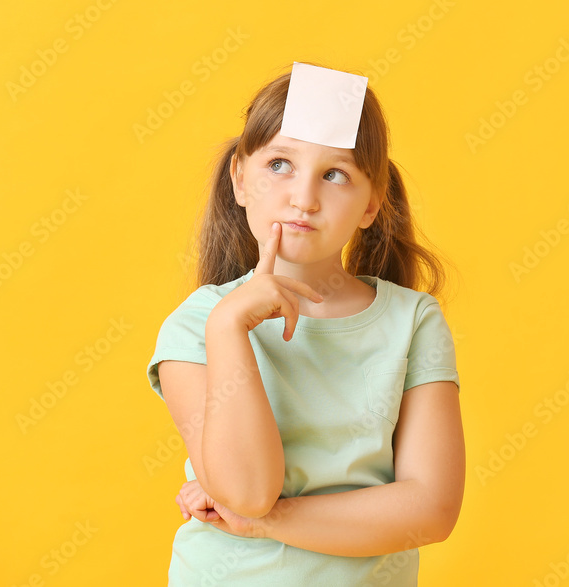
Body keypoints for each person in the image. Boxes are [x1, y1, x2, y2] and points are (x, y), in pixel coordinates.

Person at [145, 62, 465, 586]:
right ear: (240, 179)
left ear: (371, 204)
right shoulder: (200, 324)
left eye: (335, 174)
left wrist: (267, 522)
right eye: (279, 165)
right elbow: (248, 490)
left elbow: (430, 511)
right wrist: (230, 330)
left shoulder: (413, 321)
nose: (303, 197)